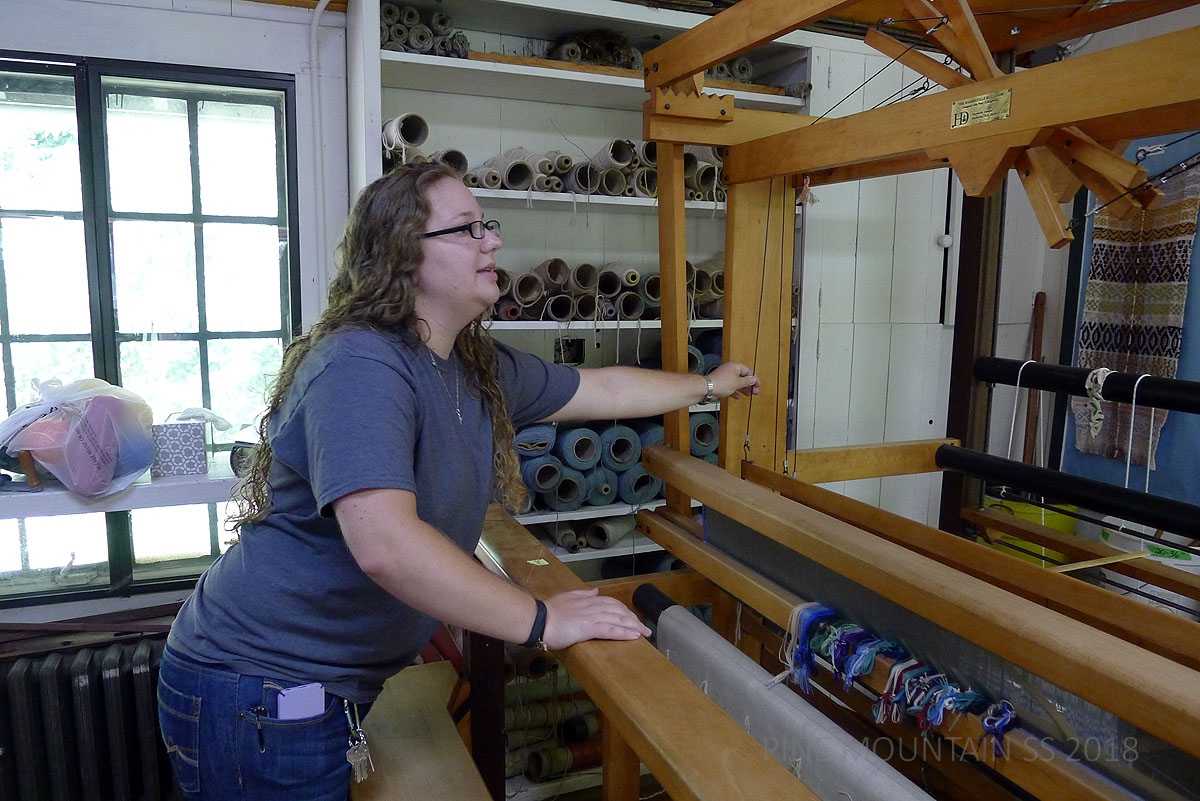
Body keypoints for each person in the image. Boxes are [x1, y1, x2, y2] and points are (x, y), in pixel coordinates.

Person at [157, 162, 760, 801]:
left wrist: (708, 385)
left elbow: (604, 388)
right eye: (467, 228)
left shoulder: (473, 365)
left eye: (486, 225)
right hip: (258, 687)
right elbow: (386, 546)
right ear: (404, 255)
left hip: (319, 686)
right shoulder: (360, 365)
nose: (492, 240)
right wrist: (541, 619)